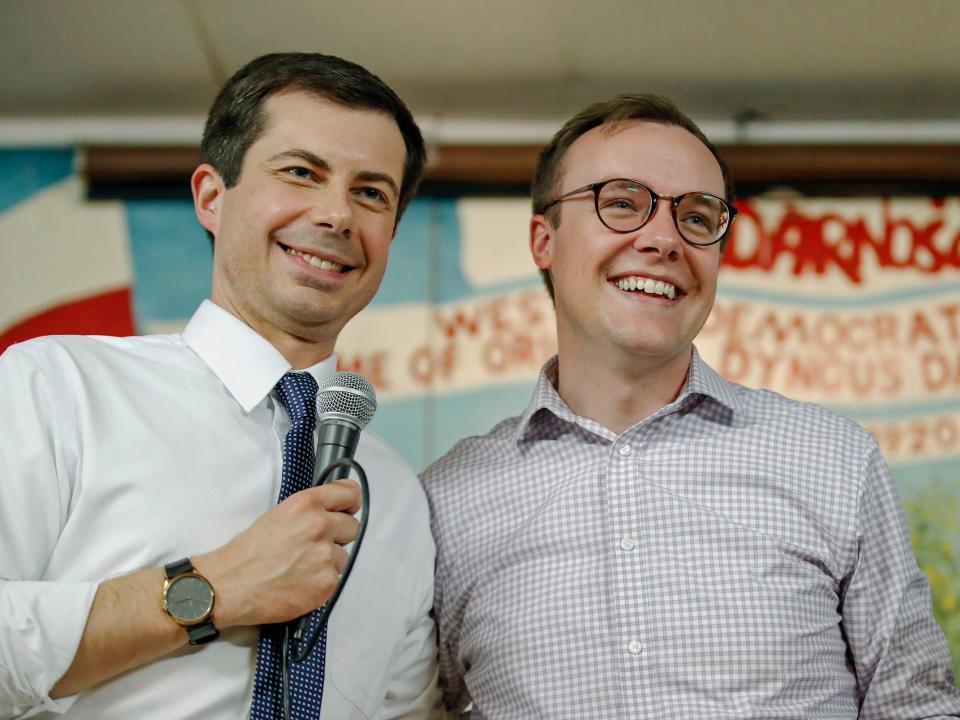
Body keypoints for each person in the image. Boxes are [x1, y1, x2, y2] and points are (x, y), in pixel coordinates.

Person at [421, 95, 960, 718]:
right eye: (621, 203)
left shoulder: (835, 460)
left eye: (698, 218)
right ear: (544, 240)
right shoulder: (446, 502)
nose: (663, 239)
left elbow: (915, 706)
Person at [0, 53, 440, 719]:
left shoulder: (399, 498)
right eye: (301, 172)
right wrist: (211, 588)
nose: (336, 215)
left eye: (371, 193)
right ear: (212, 196)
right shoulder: (57, 388)